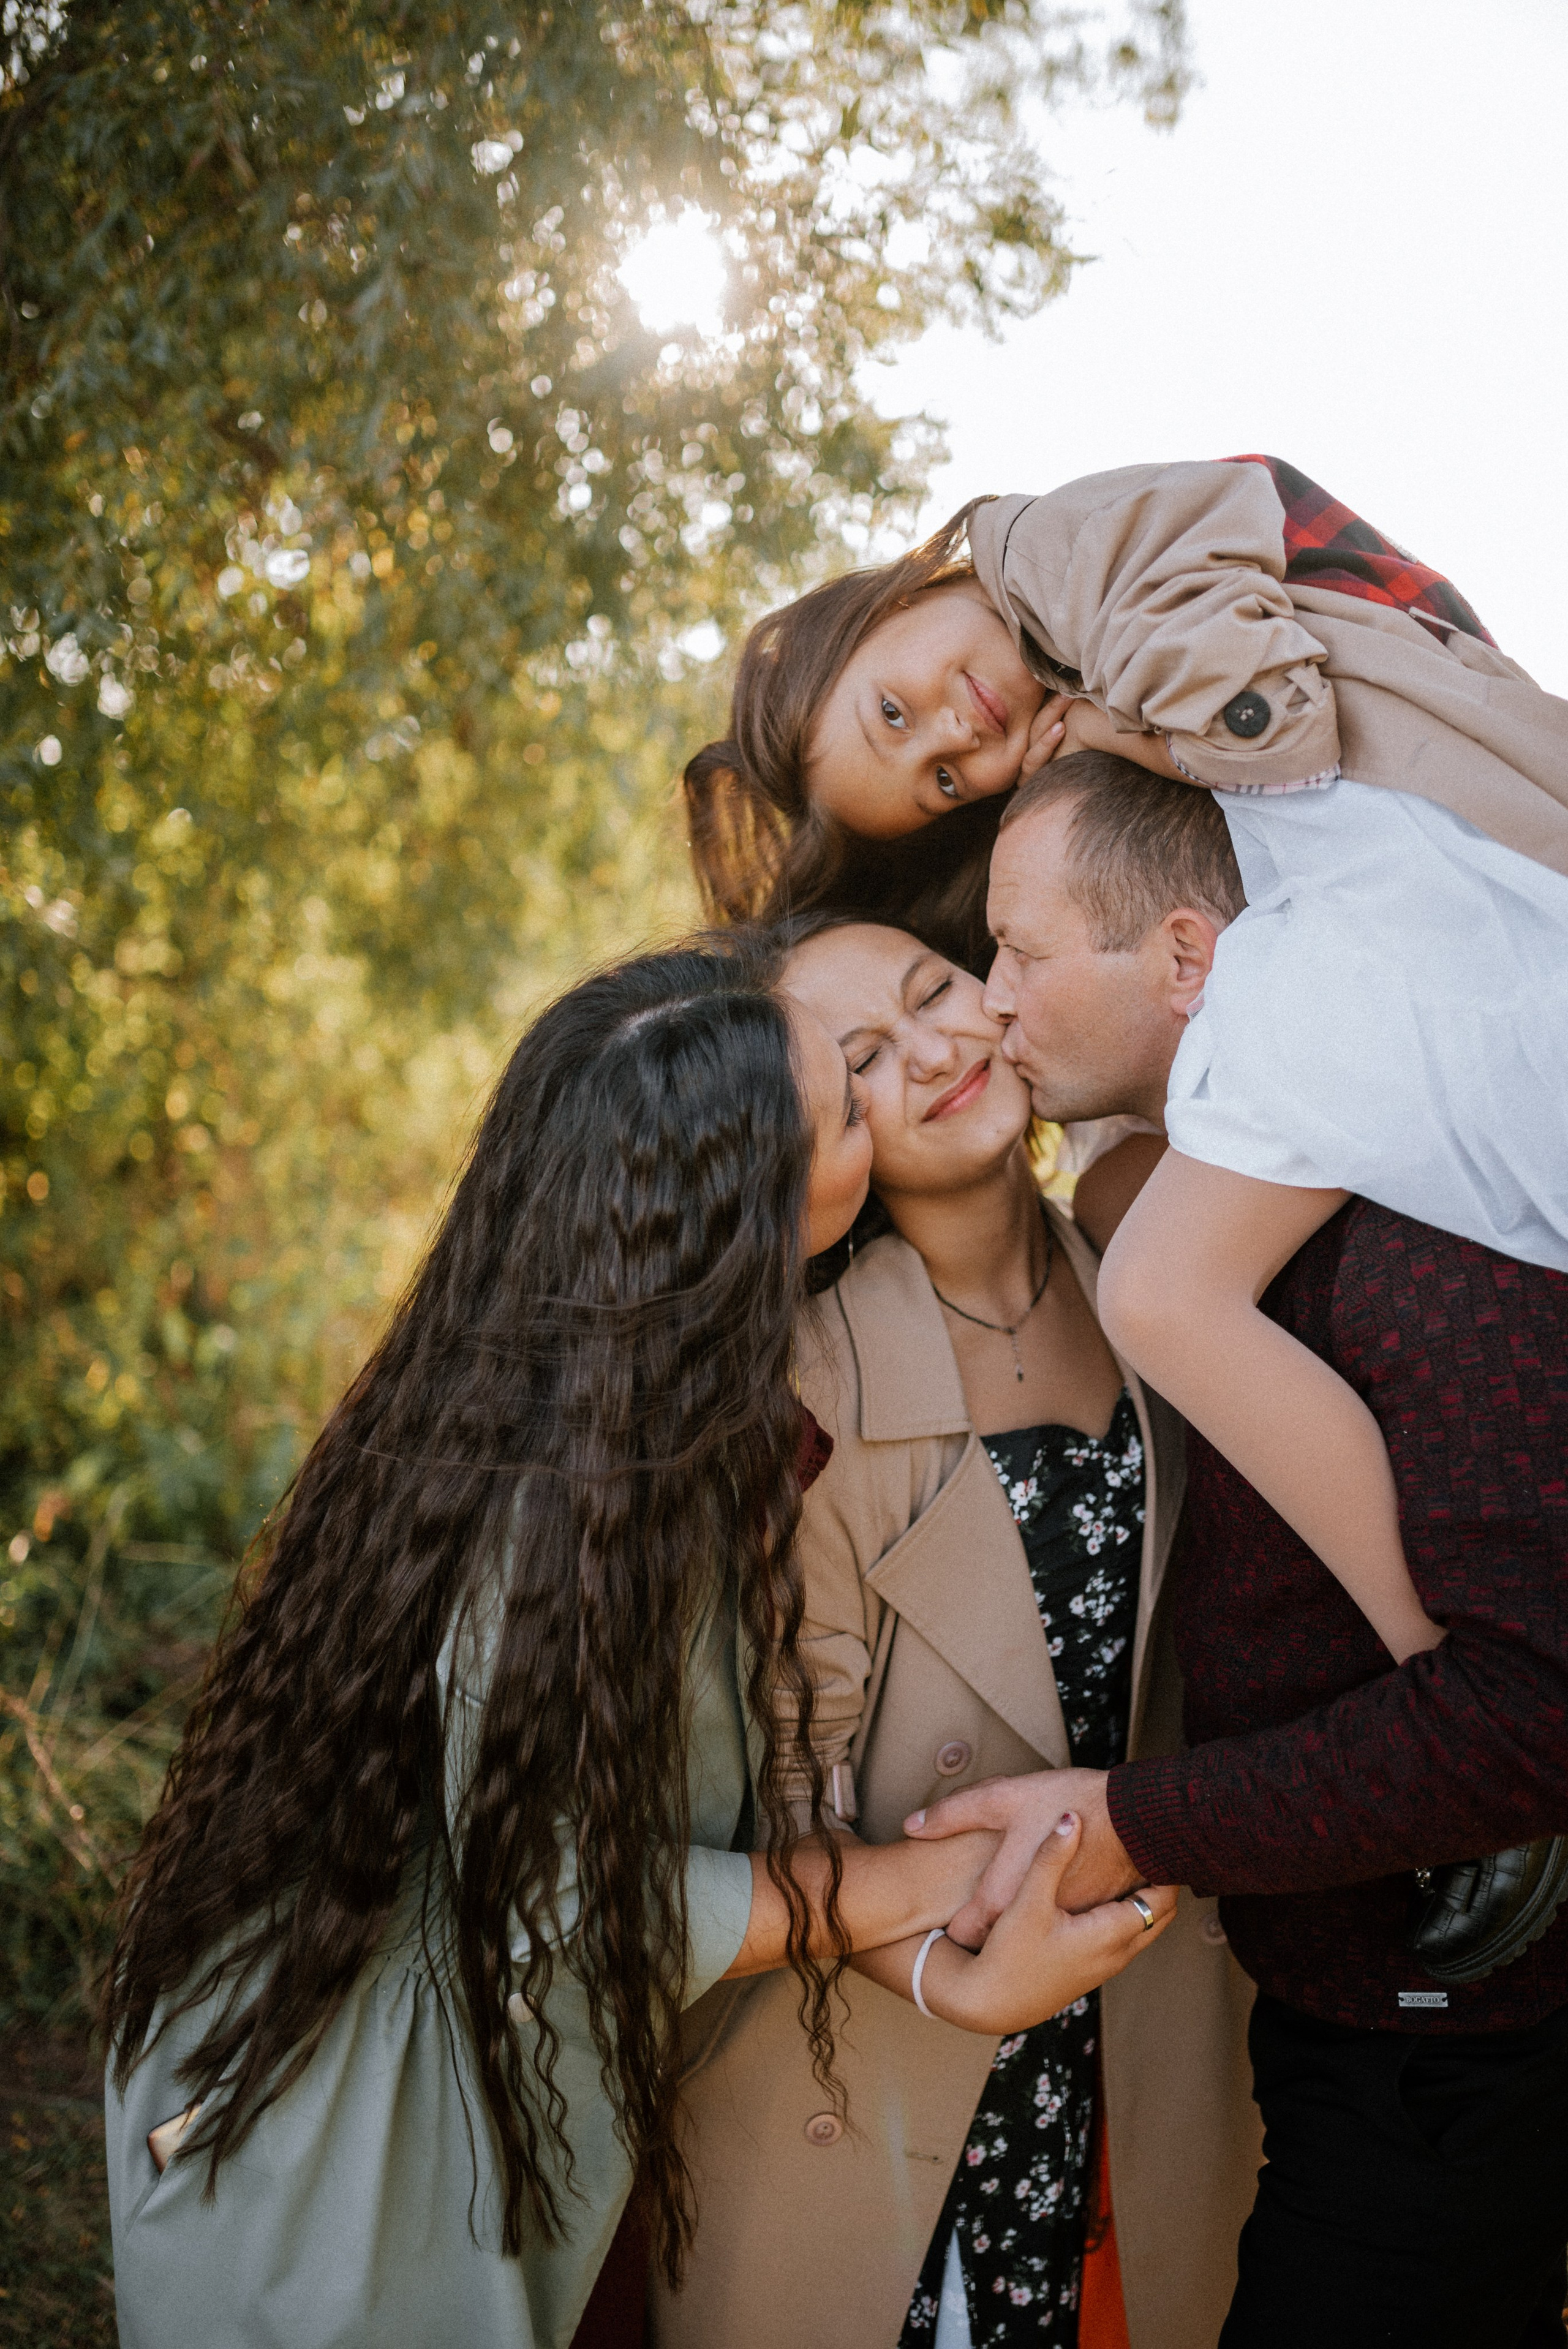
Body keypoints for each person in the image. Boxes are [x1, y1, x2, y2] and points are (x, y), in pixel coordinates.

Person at [100, 934, 1163, 2349]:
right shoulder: (572, 1501)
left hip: (410, 2059)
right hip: (360, 2150)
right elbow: (572, 1890)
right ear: (746, 1212)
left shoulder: (563, 1381)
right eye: (844, 1103)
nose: (887, 1092)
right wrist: (933, 1886)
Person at [680, 454, 1568, 1969]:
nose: (964, 738)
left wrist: (1118, 724)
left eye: (900, 709)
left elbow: (1262, 712)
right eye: (940, 785)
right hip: (1326, 922)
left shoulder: (1058, 551)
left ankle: (1439, 1664)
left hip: (1370, 902)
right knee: (1125, 1198)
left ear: (902, 593)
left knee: (1159, 1292)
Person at [908, 757, 1568, 2347]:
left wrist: (1139, 1818)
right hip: (1352, 1997)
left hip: (1456, 2035)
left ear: (1197, 957)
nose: (995, 1003)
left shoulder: (1429, 1244)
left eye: (1024, 951)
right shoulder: (1183, 1177)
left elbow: (1533, 1707)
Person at [654, 917, 1258, 2349]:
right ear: (813, 1132)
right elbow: (790, 1787)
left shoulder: (1152, 1269)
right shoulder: (807, 1379)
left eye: (938, 991)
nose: (930, 1050)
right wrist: (954, 1977)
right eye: (860, 1057)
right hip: (892, 2045)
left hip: (1151, 2016)